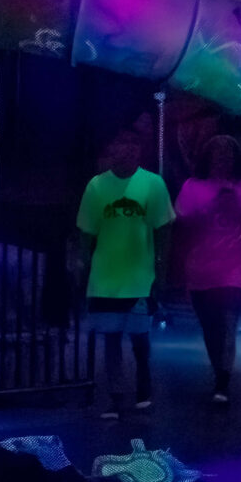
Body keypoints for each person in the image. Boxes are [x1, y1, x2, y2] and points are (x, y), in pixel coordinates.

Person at [74, 129, 173, 417]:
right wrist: (82, 266)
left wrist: (161, 269)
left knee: (140, 336)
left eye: (133, 143)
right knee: (111, 337)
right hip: (105, 278)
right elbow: (86, 232)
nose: (128, 149)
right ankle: (116, 395)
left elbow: (164, 229)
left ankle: (143, 382)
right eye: (121, 142)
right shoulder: (96, 186)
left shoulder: (153, 184)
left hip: (141, 277)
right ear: (111, 148)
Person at [172, 135, 241, 405]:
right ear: (208, 157)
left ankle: (223, 381)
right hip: (201, 267)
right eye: (216, 152)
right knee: (210, 326)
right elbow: (179, 222)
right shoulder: (193, 187)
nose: (222, 157)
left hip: (236, 267)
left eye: (227, 153)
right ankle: (219, 371)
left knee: (228, 322)